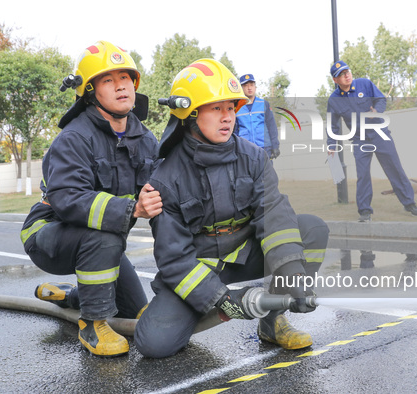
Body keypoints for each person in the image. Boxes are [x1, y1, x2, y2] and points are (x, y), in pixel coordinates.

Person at [134, 59, 329, 358]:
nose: (228, 118)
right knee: (154, 344)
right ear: (191, 114)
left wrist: (294, 278)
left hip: (245, 256)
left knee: (311, 228)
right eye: (216, 108)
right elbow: (174, 258)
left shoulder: (253, 157)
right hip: (197, 269)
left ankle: (272, 321)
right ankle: (185, 309)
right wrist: (220, 299)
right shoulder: (165, 178)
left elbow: (273, 214)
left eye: (231, 108)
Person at [20, 41, 162, 357]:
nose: (121, 86)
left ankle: (69, 297)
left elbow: (165, 184)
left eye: (125, 78)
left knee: (140, 313)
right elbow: (68, 198)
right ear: (89, 91)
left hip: (104, 241)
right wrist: (132, 207)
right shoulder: (74, 137)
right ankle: (92, 323)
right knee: (104, 237)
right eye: (108, 80)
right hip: (47, 234)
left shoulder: (144, 138)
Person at [327, 60, 417, 222]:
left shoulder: (364, 84)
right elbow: (332, 125)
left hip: (379, 133)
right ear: (335, 80)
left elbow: (380, 99)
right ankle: (365, 210)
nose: (346, 75)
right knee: (362, 174)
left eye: (347, 71)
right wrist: (331, 145)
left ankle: (409, 202)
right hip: (360, 140)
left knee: (394, 167)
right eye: (341, 75)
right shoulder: (334, 100)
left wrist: (376, 111)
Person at [235, 74, 280, 159]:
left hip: (264, 148)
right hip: (245, 149)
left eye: (252, 85)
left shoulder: (264, 104)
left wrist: (275, 145)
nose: (249, 88)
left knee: (266, 172)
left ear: (255, 87)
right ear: (241, 88)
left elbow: (272, 127)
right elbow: (234, 131)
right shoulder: (237, 107)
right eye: (246, 85)